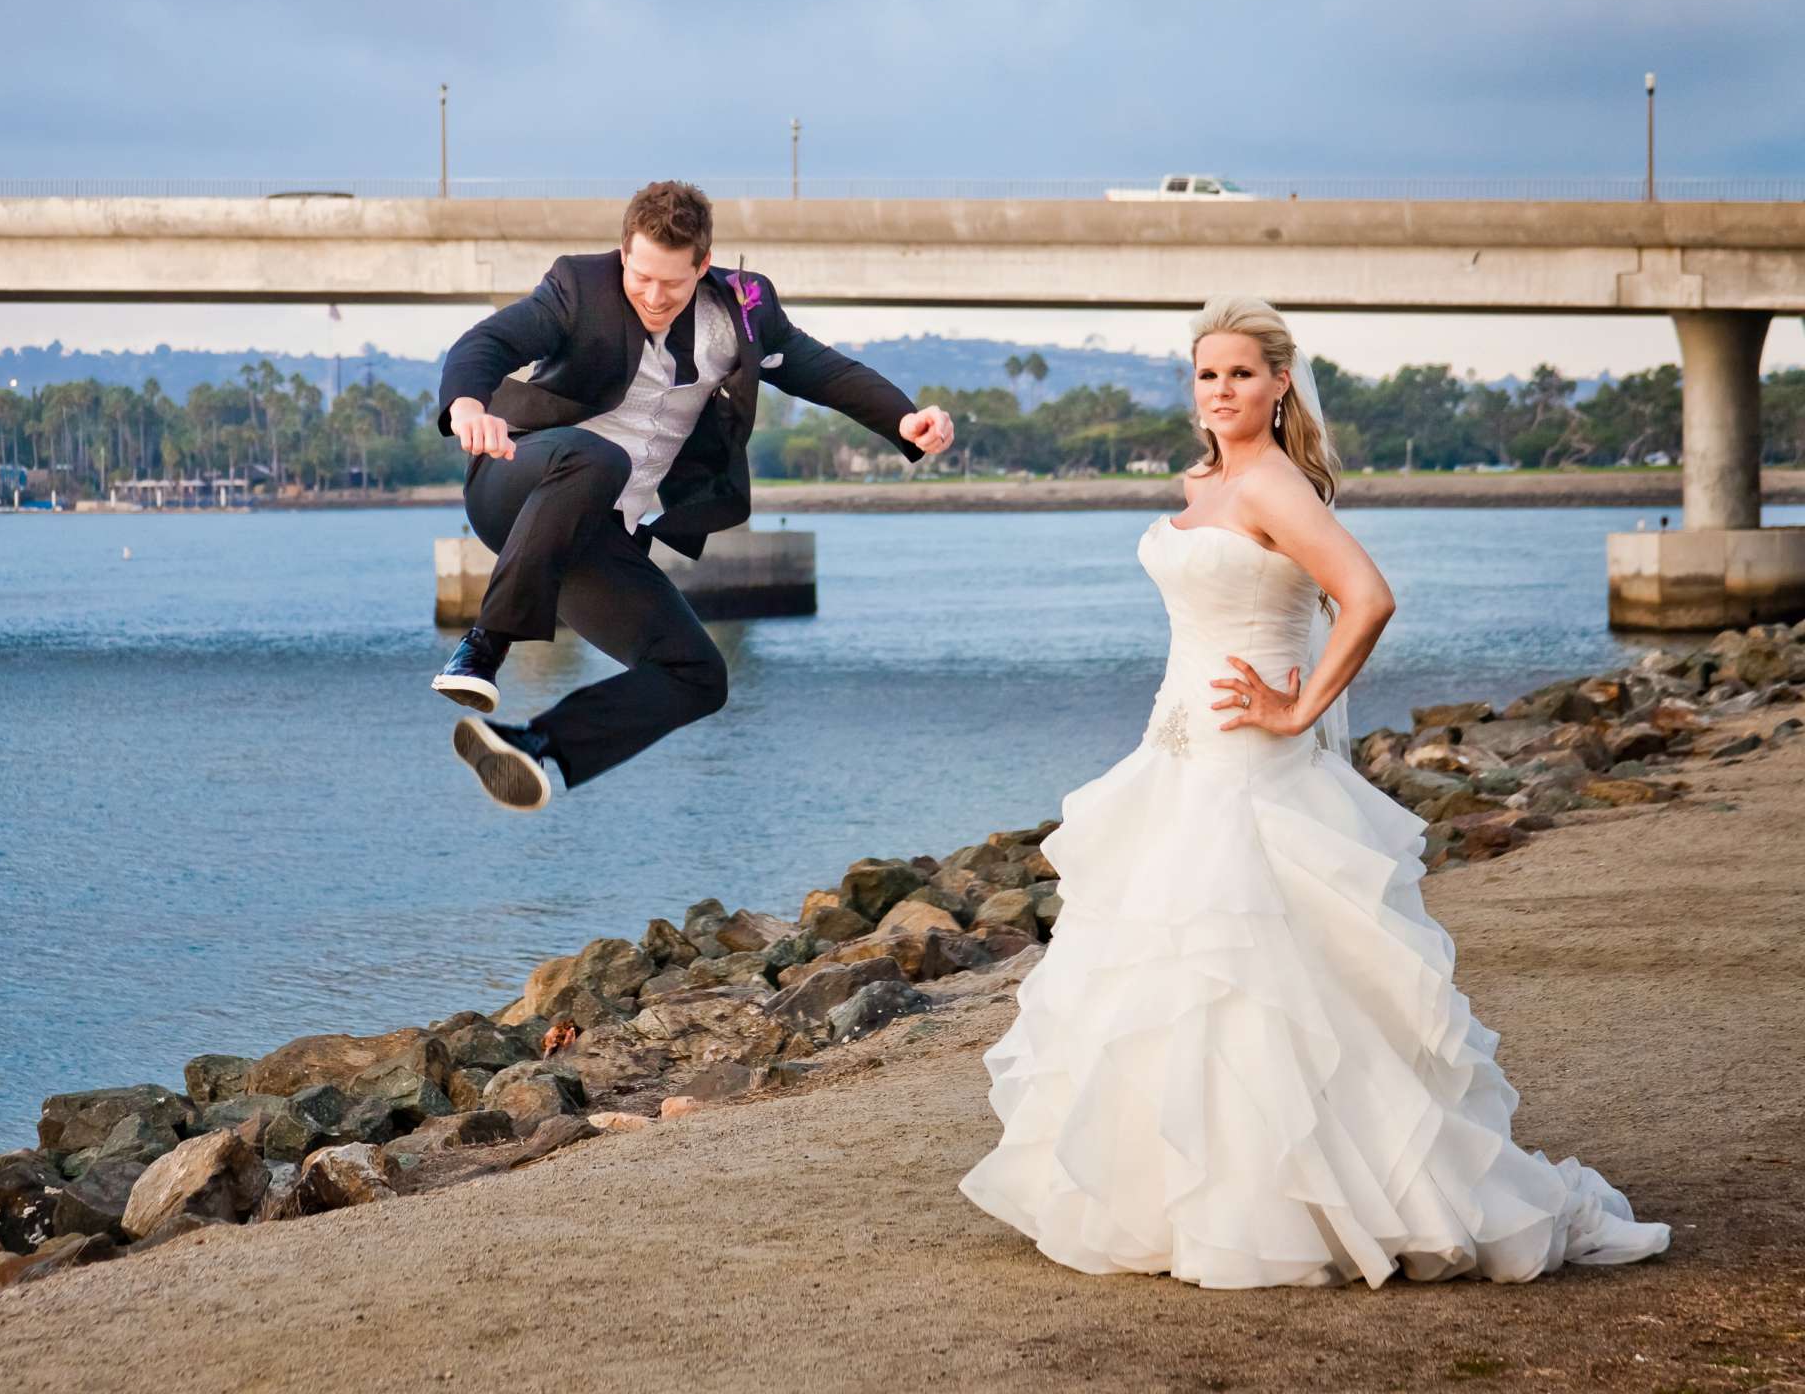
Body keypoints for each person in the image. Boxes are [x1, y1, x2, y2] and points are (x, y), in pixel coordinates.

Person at [958, 297, 1671, 1288]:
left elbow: (1367, 596)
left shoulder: (1275, 484)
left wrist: (1296, 712)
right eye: (1207, 375)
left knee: (1251, 975)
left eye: (1242, 374)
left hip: (1249, 758)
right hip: (1180, 747)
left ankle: (1294, 1204)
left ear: (1280, 381)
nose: (1222, 391)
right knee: (1179, 970)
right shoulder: (1204, 477)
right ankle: (1187, 1197)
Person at [429, 179, 954, 810]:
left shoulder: (745, 308)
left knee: (698, 676)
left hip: (591, 533)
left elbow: (822, 370)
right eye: (641, 276)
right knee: (599, 456)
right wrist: (466, 404)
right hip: (516, 484)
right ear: (624, 254)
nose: (653, 296)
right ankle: (483, 648)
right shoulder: (577, 288)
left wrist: (903, 420)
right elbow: (488, 343)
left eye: (672, 284)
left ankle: (535, 745)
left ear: (703, 266)